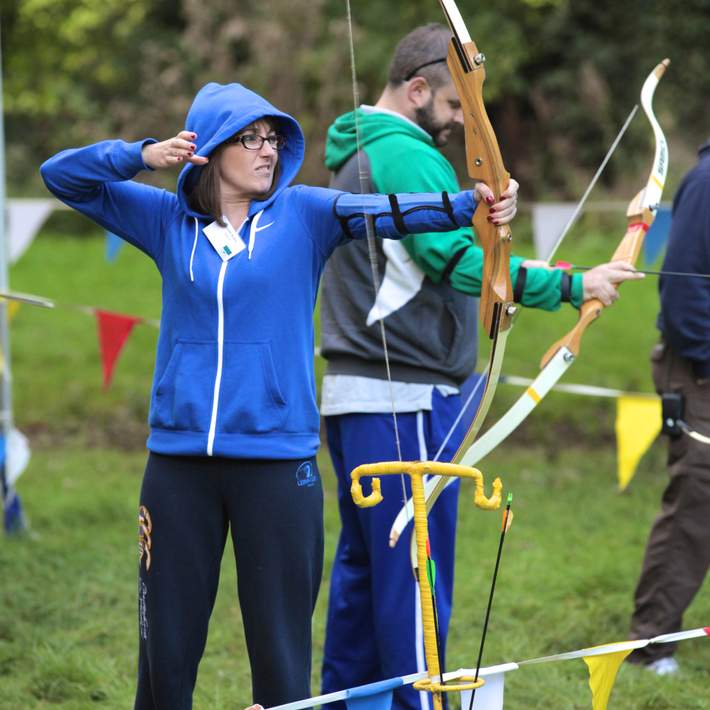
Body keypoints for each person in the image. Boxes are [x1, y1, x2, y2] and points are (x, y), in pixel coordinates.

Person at [40, 81, 520, 710]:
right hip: (178, 468)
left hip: (277, 466)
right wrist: (142, 154)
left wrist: (472, 204)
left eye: (273, 139)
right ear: (208, 148)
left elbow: (390, 212)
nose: (268, 151)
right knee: (164, 657)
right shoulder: (163, 221)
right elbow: (62, 177)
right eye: (250, 138)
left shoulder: (306, 214)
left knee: (281, 657)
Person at [319, 23, 644, 710]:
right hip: (400, 398)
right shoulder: (401, 155)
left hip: (365, 397)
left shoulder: (372, 150)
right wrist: (571, 283)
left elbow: (459, 250)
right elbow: (465, 264)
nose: (468, 123)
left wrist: (491, 216)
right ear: (416, 90)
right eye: (459, 106)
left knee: (364, 577)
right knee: (414, 584)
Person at [627, 138, 710, 676]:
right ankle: (651, 644)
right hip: (700, 368)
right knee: (697, 504)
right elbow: (682, 291)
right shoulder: (706, 183)